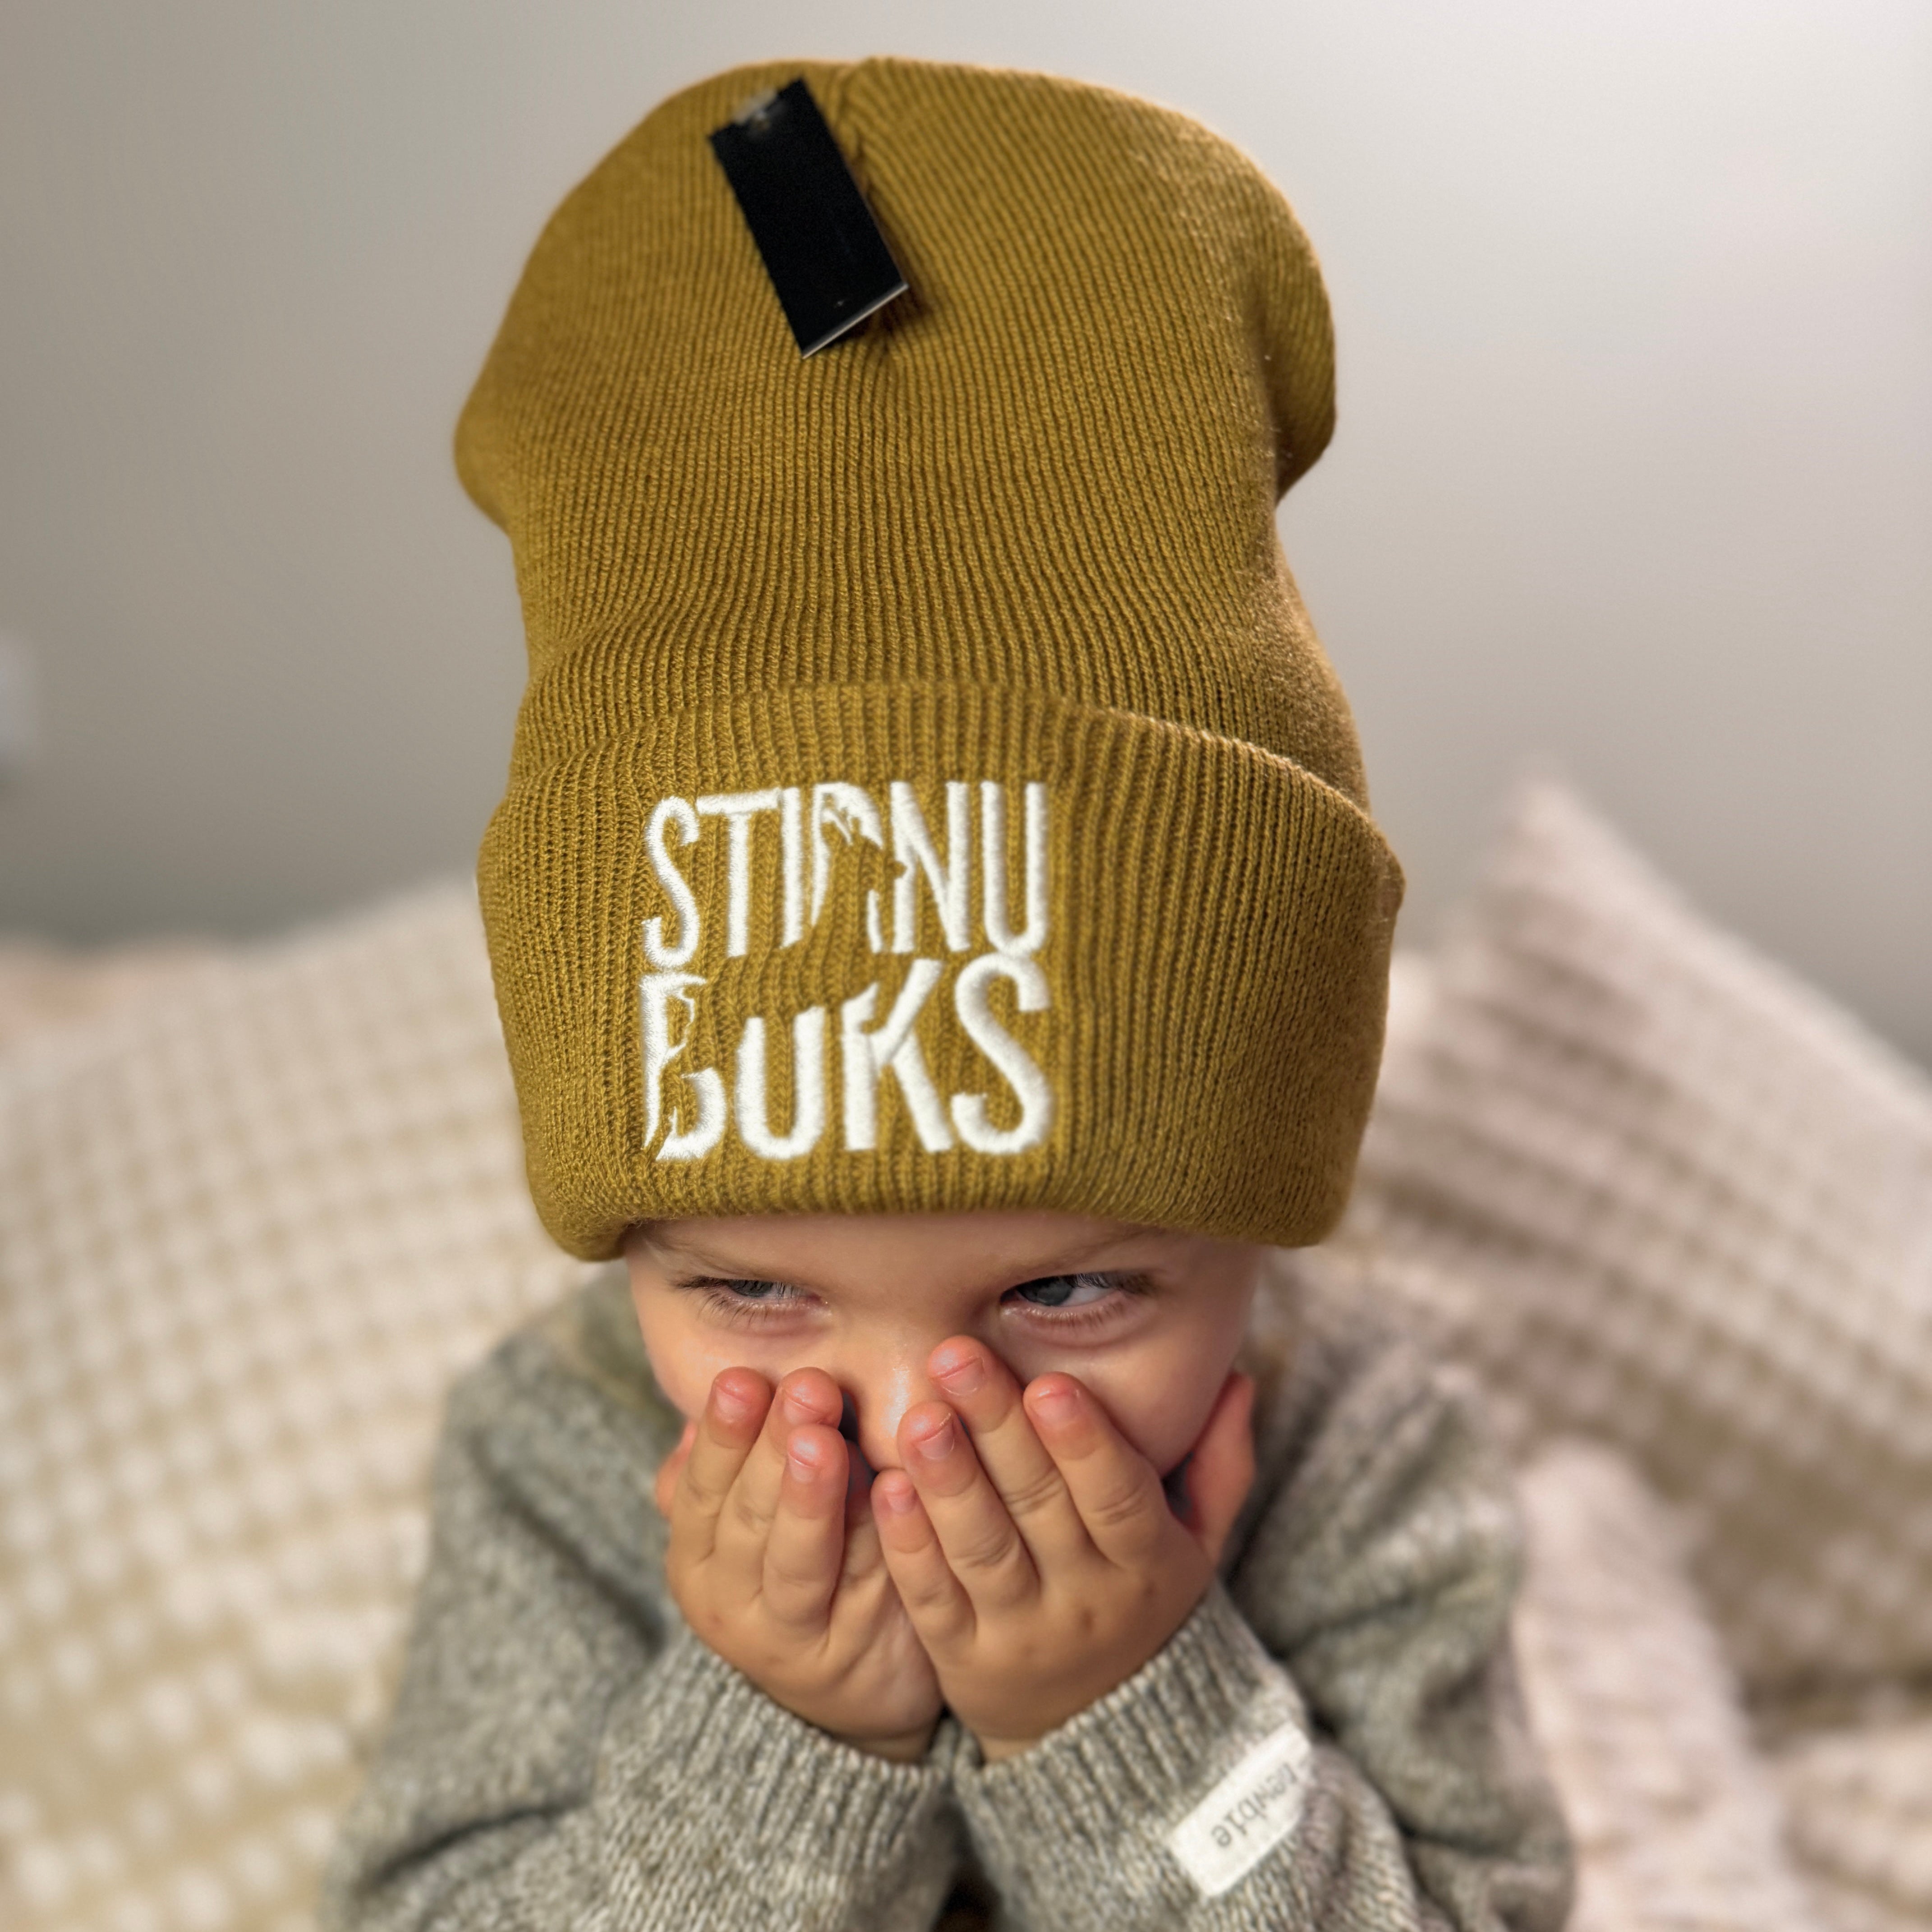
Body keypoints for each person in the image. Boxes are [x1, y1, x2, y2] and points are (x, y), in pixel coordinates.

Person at [319, 54, 1573, 1932]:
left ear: (1250, 1213)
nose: (916, 1423)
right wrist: (779, 1736)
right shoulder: (564, 1454)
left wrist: (1124, 1716)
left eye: (1068, 1288)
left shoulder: (1354, 1453)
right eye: (751, 1287)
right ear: (632, 1241)